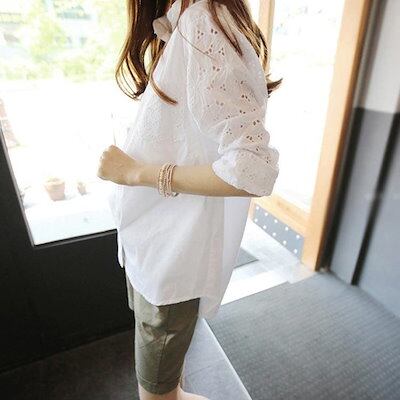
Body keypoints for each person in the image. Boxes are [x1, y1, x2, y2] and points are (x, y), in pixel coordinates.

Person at [97, 0, 281, 399]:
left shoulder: (203, 22)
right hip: (151, 242)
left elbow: (252, 167)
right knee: (165, 379)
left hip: (170, 250)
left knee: (157, 392)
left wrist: (136, 173)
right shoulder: (182, 21)